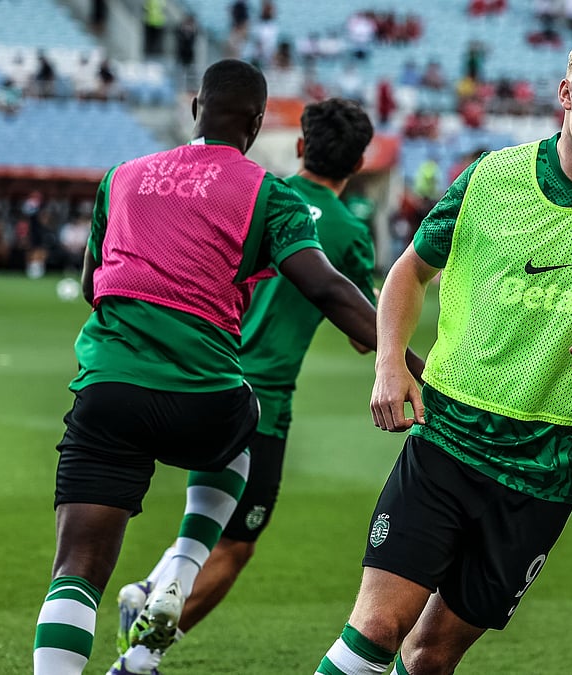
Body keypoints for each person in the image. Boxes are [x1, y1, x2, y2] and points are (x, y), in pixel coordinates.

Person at [315, 27, 572, 675]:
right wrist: (389, 363)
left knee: (432, 656)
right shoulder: (491, 178)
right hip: (448, 439)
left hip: (549, 466)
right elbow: (408, 273)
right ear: (566, 92)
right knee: (380, 625)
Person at [30, 59, 412, 675]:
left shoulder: (121, 176)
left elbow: (90, 284)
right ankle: (180, 568)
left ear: (193, 108)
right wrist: (406, 361)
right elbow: (331, 292)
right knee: (243, 428)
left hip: (108, 386)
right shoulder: (269, 193)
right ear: (260, 124)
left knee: (74, 569)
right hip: (208, 394)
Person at [107, 98, 382, 674]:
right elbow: (362, 333)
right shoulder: (347, 231)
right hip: (265, 402)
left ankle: (149, 587)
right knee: (234, 544)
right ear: (358, 163)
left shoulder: (253, 194)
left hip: (207, 376)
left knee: (203, 517)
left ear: (302, 148)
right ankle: (138, 660)